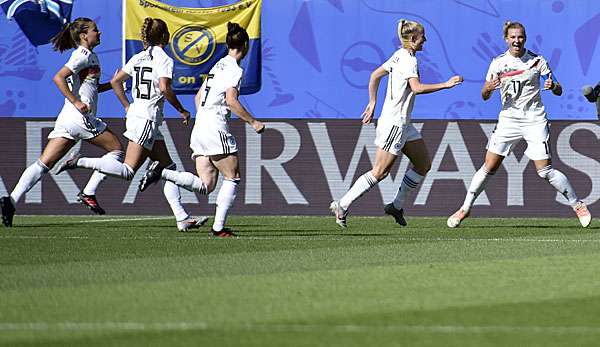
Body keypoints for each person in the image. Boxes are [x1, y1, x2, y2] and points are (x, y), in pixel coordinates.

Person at [54, 18, 207, 232]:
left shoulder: (139, 56)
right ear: (165, 36)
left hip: (139, 115)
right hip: (147, 118)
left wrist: (127, 106)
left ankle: (182, 218)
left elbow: (117, 81)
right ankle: (80, 162)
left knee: (168, 166)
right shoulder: (164, 59)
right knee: (127, 171)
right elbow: (164, 87)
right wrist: (181, 109)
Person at [447, 21, 591, 228]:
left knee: (545, 171)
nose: (517, 40)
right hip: (509, 119)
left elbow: (558, 89)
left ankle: (577, 205)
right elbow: (485, 95)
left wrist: (553, 86)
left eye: (520, 37)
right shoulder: (498, 63)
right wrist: (488, 87)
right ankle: (465, 208)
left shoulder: (537, 61)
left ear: (525, 38)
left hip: (534, 119)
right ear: (506, 39)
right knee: (489, 166)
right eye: (513, 37)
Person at [329, 19, 463, 228]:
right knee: (380, 172)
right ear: (412, 39)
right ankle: (342, 205)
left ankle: (396, 205)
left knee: (423, 164)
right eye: (422, 37)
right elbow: (416, 88)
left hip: (404, 123)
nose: (425, 40)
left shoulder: (399, 54)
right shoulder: (409, 60)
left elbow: (375, 75)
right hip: (395, 124)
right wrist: (445, 85)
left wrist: (373, 102)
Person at [139, 22, 265, 237]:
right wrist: (253, 122)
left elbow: (198, 97)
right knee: (232, 177)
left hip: (201, 126)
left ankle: (164, 172)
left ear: (227, 45)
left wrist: (205, 118)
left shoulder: (217, 66)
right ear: (245, 45)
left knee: (206, 185)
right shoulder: (235, 69)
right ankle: (218, 228)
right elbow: (231, 101)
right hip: (215, 126)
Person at [1, 17, 124, 227]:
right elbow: (58, 77)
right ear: (84, 35)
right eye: (95, 30)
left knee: (43, 164)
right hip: (80, 118)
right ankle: (88, 191)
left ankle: (11, 201)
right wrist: (76, 101)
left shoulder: (90, 56)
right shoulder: (81, 55)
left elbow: (90, 87)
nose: (100, 33)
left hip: (68, 118)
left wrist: (113, 85)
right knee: (117, 151)